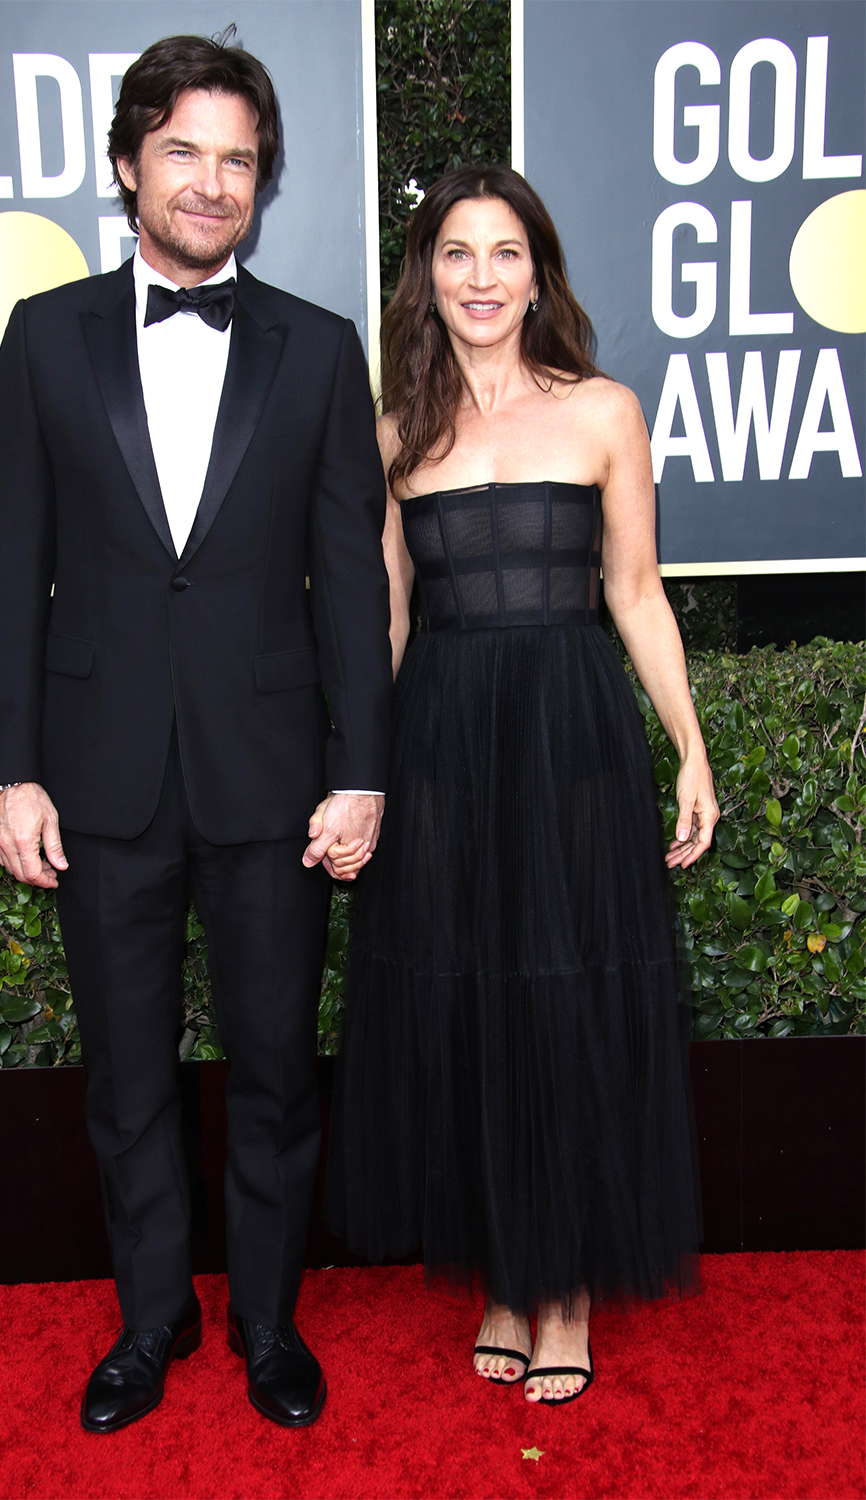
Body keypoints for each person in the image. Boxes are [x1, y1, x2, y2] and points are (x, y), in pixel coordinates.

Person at [0, 32, 391, 1432]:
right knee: (128, 1073)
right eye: (186, 153)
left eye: (239, 161)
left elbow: (355, 582)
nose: (213, 184)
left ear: (262, 184)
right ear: (129, 164)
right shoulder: (44, 336)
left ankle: (269, 1321)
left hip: (276, 781)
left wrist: (364, 773)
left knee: (277, 1067)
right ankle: (151, 1318)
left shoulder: (323, 353)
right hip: (96, 778)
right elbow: (12, 566)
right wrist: (8, 764)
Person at [326, 165, 718, 1404]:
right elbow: (385, 623)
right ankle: (502, 1264)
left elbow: (633, 590)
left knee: (563, 1000)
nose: (482, 277)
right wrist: (357, 775)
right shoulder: (392, 435)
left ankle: (564, 1289)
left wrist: (691, 745)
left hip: (567, 733)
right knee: (469, 1006)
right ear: (426, 274)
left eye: (506, 254)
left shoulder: (603, 409)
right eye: (457, 253)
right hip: (440, 737)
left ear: (537, 271)